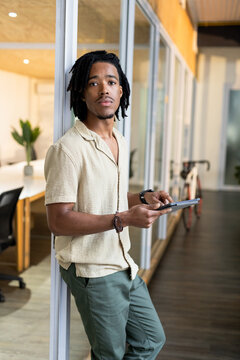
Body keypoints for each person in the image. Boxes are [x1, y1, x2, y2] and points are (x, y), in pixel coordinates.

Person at [44, 50, 172, 359]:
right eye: (94, 83)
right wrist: (125, 219)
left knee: (151, 339)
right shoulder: (68, 149)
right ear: (82, 93)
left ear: (122, 90)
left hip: (121, 262)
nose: (104, 89)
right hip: (92, 269)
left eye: (111, 81)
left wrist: (143, 198)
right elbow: (58, 221)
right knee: (109, 355)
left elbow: (107, 198)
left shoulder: (119, 140)